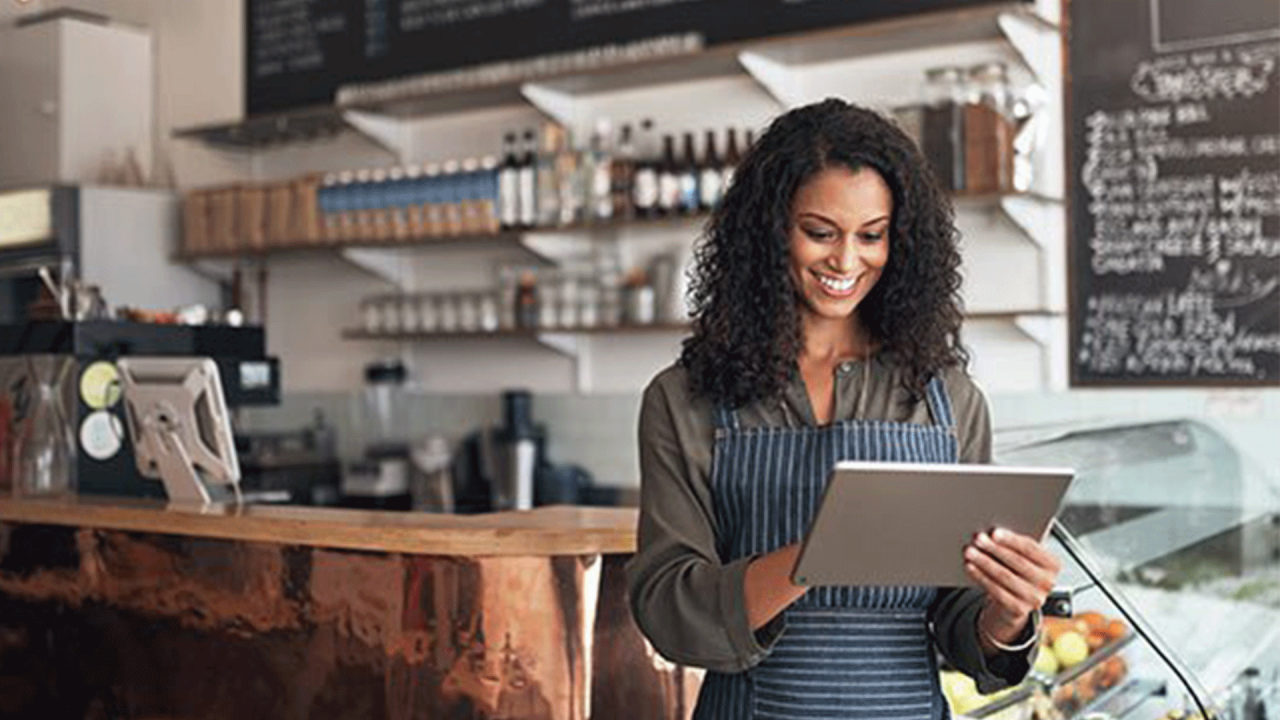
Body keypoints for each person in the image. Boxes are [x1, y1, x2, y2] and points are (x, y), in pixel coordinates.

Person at [627, 98, 1063, 720]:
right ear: (769, 231)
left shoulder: (947, 399)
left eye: (872, 235)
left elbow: (959, 622)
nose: (846, 261)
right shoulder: (685, 399)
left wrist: (1008, 610)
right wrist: (817, 555)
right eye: (820, 232)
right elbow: (668, 607)